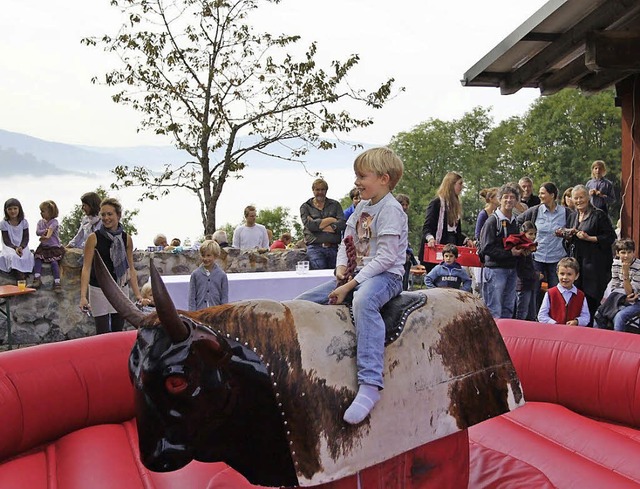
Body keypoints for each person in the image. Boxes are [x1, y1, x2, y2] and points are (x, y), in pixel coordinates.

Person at [295, 147, 407, 425]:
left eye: (361, 176)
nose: (356, 181)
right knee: (303, 301)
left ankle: (370, 383)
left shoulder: (391, 210)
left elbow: (386, 258)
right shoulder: (361, 207)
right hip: (356, 273)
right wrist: (341, 269)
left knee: (363, 301)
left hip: (385, 276)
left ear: (383, 178)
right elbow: (347, 242)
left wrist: (350, 286)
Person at [79, 198, 143, 334]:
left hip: (120, 289)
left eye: (109, 214)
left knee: (117, 331)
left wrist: (138, 296)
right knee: (102, 332)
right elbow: (86, 268)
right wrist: (83, 296)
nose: (106, 218)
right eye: (103, 215)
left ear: (118, 215)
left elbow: (130, 268)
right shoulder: (93, 238)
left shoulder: (127, 239)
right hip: (98, 289)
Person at [563, 184, 617, 324]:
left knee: (591, 300)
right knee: (577, 299)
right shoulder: (573, 216)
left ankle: (592, 330)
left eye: (582, 197)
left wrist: (589, 238)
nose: (579, 201)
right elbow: (568, 244)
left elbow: (610, 237)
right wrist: (567, 237)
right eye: (576, 198)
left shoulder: (598, 215)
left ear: (588, 198)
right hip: (577, 264)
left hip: (595, 266)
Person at [478, 184, 526, 318]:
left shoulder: (515, 222)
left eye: (512, 197)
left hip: (511, 269)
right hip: (495, 269)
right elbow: (486, 247)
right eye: (506, 197)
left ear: (517, 201)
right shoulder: (493, 221)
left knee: (508, 307)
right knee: (494, 309)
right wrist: (509, 253)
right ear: (500, 199)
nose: (509, 200)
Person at [516, 182, 572, 290]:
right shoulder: (535, 211)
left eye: (543, 193)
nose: (540, 196)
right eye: (539, 193)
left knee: (556, 291)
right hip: (537, 257)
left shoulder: (566, 212)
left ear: (552, 195)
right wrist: (524, 239)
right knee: (534, 290)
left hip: (557, 258)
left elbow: (573, 230)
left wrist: (566, 234)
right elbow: (518, 222)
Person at [418, 172, 468, 267]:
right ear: (451, 184)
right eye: (460, 184)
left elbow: (455, 231)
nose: (462, 187)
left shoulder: (455, 206)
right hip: (437, 247)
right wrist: (430, 238)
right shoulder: (437, 203)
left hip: (451, 246)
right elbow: (427, 227)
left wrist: (466, 239)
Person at [300, 178, 346, 270]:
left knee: (336, 278)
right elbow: (310, 226)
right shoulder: (306, 207)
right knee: (319, 275)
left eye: (322, 189)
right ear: (313, 190)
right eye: (317, 189)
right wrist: (331, 219)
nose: (320, 192)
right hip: (315, 248)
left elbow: (342, 224)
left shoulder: (335, 205)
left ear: (326, 190)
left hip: (334, 248)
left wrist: (319, 225)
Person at [538, 257, 590, 325]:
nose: (565, 277)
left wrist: (577, 321)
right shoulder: (550, 293)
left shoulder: (581, 295)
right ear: (557, 274)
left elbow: (586, 317)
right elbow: (542, 316)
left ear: (576, 276)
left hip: (573, 333)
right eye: (562, 274)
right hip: (553, 332)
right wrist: (554, 323)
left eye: (569, 274)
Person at [607, 239, 640, 332]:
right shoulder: (615, 265)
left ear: (634, 252)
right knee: (600, 313)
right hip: (621, 298)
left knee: (620, 316)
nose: (626, 256)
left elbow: (631, 293)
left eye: (629, 252)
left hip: (637, 300)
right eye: (623, 252)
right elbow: (614, 287)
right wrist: (621, 299)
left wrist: (625, 272)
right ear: (617, 253)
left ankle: (618, 343)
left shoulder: (639, 267)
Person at [32, 200, 65, 290]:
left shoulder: (54, 222)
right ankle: (37, 277)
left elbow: (49, 233)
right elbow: (38, 232)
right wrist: (44, 231)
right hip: (44, 247)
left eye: (43, 211)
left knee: (54, 262)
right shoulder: (40, 222)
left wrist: (45, 235)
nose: (41, 213)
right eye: (40, 211)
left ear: (50, 212)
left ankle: (57, 282)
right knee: (38, 258)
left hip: (53, 247)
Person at [0, 198, 34, 282]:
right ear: (6, 210)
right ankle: (20, 278)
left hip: (22, 246)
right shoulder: (4, 223)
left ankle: (25, 274)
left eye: (15, 208)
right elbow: (6, 240)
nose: (13, 211)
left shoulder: (24, 222)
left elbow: (26, 237)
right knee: (13, 257)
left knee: (27, 256)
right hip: (10, 247)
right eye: (10, 209)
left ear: (19, 209)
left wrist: (21, 247)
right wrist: (15, 248)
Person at [188, 239, 228, 311]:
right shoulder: (195, 274)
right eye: (203, 255)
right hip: (199, 313)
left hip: (215, 314)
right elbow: (192, 298)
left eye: (208, 255)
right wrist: (192, 314)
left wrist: (222, 314)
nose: (205, 258)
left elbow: (224, 298)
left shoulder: (222, 275)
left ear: (215, 256)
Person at [515, 221, 540, 320]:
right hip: (522, 285)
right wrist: (536, 275)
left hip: (530, 284)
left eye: (534, 234)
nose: (533, 236)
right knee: (522, 312)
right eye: (530, 234)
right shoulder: (521, 249)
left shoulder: (529, 248)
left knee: (531, 313)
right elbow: (521, 270)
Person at [396, 193, 417, 290]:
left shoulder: (404, 217)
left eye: (406, 205)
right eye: (402, 204)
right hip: (395, 252)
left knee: (404, 282)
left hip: (404, 253)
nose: (404, 207)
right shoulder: (393, 216)